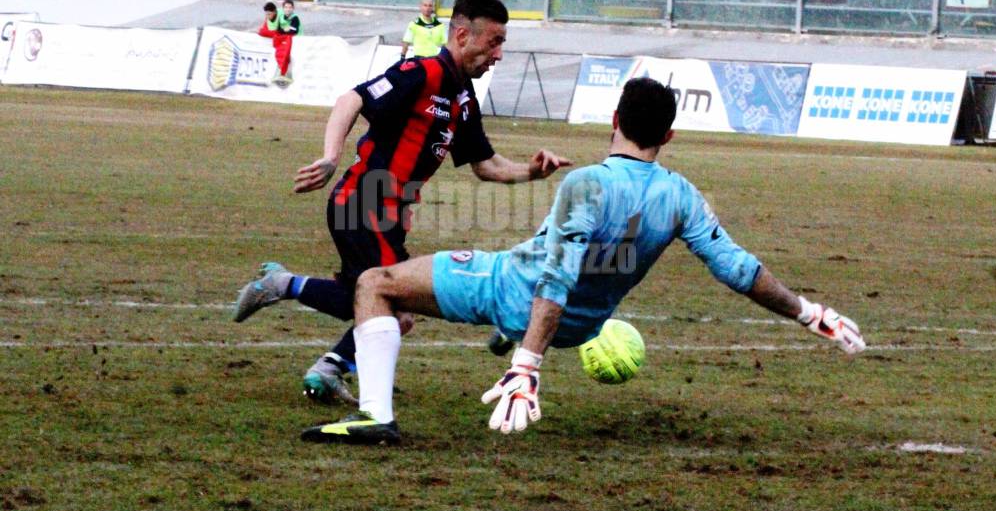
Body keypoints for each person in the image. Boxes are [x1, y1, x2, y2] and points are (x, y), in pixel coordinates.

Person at [299, 77, 866, 445]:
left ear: (613, 117)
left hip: (515, 293)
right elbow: (736, 269)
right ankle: (504, 337)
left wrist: (528, 365)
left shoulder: (588, 181)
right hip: (584, 325)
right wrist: (808, 312)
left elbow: (556, 273)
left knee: (376, 281)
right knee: (522, 266)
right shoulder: (682, 195)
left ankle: (375, 416)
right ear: (668, 134)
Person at [233, 0, 572, 406]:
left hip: (389, 215)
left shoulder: (464, 98)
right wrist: (329, 156)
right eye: (495, 42)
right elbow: (351, 99)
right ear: (463, 35)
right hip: (362, 202)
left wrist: (532, 171)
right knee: (395, 303)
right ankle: (320, 349)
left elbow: (486, 165)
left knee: (370, 299)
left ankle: (297, 309)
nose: (499, 53)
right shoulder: (422, 72)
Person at [256, 0, 295, 85]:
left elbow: (286, 30)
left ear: (275, 12)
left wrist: (273, 33)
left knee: (284, 50)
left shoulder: (282, 16)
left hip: (290, 36)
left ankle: (284, 74)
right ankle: (281, 73)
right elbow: (264, 31)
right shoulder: (268, 18)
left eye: (269, 14)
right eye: (266, 14)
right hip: (280, 37)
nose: (267, 16)